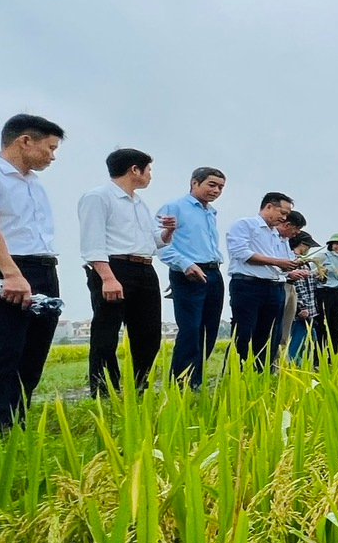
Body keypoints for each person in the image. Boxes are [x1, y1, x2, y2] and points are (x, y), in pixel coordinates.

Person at [0, 113, 65, 431]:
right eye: (50, 147)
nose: (52, 156)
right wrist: (11, 273)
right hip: (8, 267)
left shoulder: (34, 184)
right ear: (25, 141)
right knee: (5, 348)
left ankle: (16, 422)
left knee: (34, 350)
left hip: (43, 267)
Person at [78, 148, 175, 395]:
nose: (150, 176)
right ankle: (104, 392)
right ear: (135, 169)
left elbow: (150, 241)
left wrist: (167, 232)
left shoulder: (139, 203)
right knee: (106, 334)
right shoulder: (98, 197)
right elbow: (93, 241)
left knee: (148, 335)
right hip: (113, 267)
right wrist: (107, 278)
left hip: (144, 268)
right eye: (148, 170)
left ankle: (139, 388)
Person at [155, 167, 226, 388]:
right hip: (188, 274)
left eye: (221, 187)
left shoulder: (210, 212)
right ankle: (181, 383)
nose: (216, 190)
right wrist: (186, 264)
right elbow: (160, 244)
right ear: (194, 183)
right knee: (191, 329)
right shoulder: (175, 207)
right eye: (211, 185)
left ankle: (196, 380)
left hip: (213, 272)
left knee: (210, 329)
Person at [224, 193, 298, 369]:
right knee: (244, 333)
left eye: (286, 215)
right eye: (282, 212)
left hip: (273, 286)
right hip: (248, 285)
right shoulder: (245, 225)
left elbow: (278, 261)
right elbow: (242, 254)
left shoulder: (275, 234)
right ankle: (235, 374)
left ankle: (259, 375)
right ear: (269, 207)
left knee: (268, 335)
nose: (284, 217)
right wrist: (278, 262)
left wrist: (287, 265)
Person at [270, 209, 308, 367]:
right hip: (277, 284)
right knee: (272, 327)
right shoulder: (269, 237)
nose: (296, 233)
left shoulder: (284, 241)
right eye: (296, 230)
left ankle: (280, 363)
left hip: (289, 284)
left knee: (284, 329)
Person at [286, 231, 323, 365]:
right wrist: (302, 307)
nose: (309, 249)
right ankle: (291, 366)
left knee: (310, 340)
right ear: (302, 244)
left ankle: (303, 367)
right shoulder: (294, 261)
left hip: (311, 310)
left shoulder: (305, 262)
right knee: (297, 341)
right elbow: (298, 286)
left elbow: (311, 285)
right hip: (302, 311)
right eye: (308, 246)